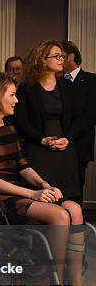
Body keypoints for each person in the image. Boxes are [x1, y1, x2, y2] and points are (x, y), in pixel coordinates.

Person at [0, 72, 96, 286]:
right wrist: (34, 193)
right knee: (60, 215)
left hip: (21, 189)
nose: (16, 100)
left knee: (75, 209)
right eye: (12, 95)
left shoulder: (10, 127)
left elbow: (23, 166)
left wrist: (45, 184)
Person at [14, 40, 82, 202]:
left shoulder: (67, 86)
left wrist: (67, 138)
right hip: (37, 149)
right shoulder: (27, 87)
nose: (61, 60)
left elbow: (79, 119)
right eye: (57, 56)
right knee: (42, 199)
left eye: (63, 56)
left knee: (66, 200)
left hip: (64, 150)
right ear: (42, 59)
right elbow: (21, 121)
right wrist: (41, 139)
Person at [62, 40, 96, 205]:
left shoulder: (91, 80)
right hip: (59, 143)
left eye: (62, 56)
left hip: (80, 143)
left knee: (77, 186)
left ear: (71, 56)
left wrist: (70, 135)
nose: (59, 61)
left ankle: (76, 225)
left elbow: (91, 115)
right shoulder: (56, 81)